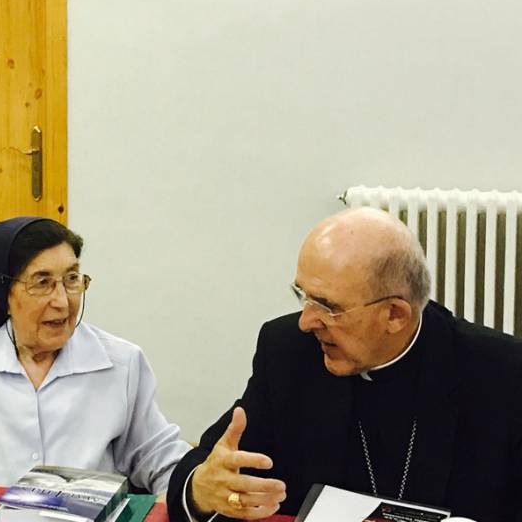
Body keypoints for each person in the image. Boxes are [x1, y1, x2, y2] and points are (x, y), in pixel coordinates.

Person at [168, 207, 522, 522]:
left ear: (395, 314)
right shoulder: (289, 352)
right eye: (302, 296)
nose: (306, 321)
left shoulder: (503, 374)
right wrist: (201, 489)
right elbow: (210, 465)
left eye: (327, 306)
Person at [0, 217, 191, 492]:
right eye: (42, 283)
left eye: (71, 280)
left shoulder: (122, 364)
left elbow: (164, 462)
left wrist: (191, 489)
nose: (62, 302)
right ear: (5, 293)